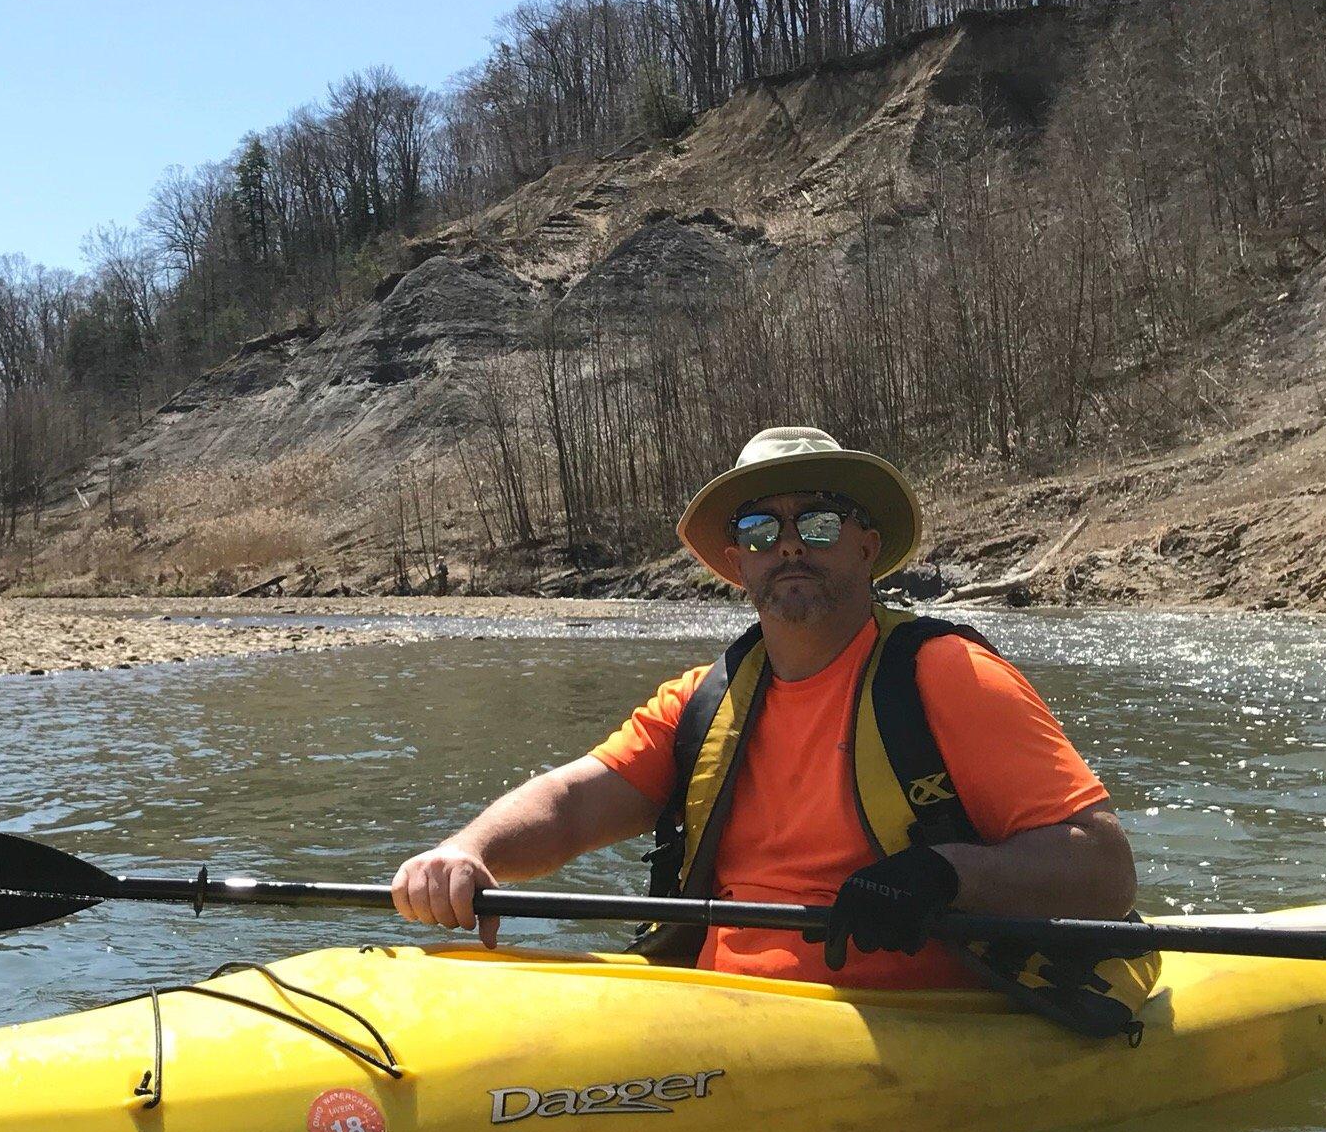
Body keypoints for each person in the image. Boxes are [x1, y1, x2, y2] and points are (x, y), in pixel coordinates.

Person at [391, 427, 1155, 1036]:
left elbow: (1104, 870)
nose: (788, 544)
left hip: (911, 1025)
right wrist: (468, 851)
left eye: (816, 522)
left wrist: (947, 874)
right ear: (736, 563)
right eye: (760, 529)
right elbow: (573, 802)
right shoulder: (705, 700)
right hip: (721, 1012)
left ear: (865, 545)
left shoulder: (948, 674)